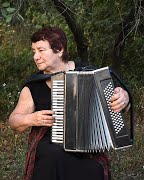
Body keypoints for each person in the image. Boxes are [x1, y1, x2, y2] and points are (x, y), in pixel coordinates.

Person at [8, 26, 130, 180]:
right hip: (51, 149)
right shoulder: (34, 85)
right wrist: (31, 118)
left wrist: (123, 98)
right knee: (54, 156)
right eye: (34, 51)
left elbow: (118, 105)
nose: (35, 57)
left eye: (41, 50)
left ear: (59, 50)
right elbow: (14, 121)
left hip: (88, 147)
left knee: (92, 166)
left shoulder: (91, 73)